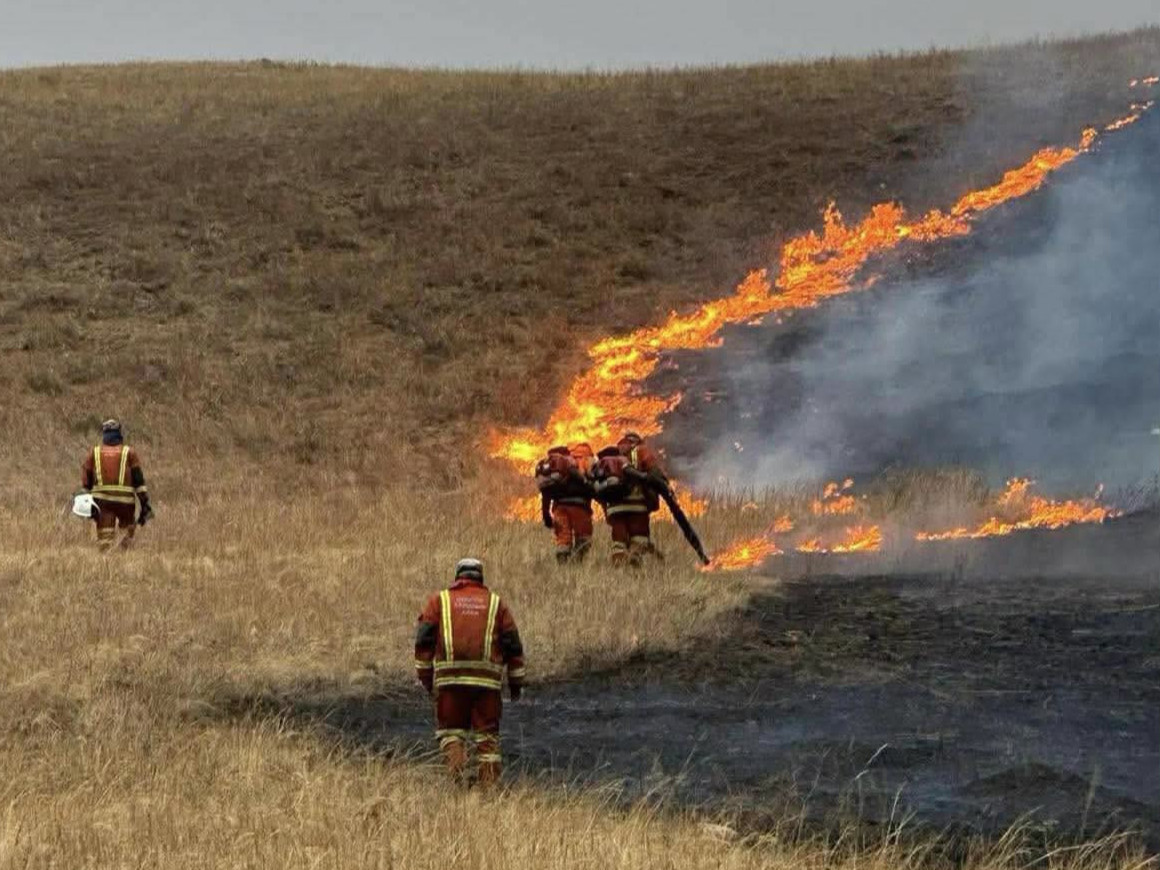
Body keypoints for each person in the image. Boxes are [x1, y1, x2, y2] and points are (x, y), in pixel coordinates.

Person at [414, 558, 525, 787]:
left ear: (458, 576)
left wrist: (427, 681)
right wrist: (516, 684)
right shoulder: (496, 603)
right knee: (487, 738)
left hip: (450, 683)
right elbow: (513, 645)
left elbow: (423, 641)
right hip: (487, 686)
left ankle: (457, 781)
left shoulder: (439, 601)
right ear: (480, 577)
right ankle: (489, 788)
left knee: (451, 733)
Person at [588, 433, 664, 566]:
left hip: (614, 508)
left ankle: (619, 562)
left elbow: (597, 490)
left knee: (618, 539)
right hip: (637, 506)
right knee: (639, 536)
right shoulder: (639, 452)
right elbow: (654, 472)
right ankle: (635, 556)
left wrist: (607, 512)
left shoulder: (608, 459)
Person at [80, 419, 153, 551]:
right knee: (126, 533)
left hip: (102, 502)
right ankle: (122, 556)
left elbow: (86, 478)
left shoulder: (95, 452)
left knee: (105, 539)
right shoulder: (129, 452)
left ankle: (106, 560)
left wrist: (86, 495)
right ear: (119, 433)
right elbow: (139, 481)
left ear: (104, 434)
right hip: (125, 502)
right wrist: (144, 503)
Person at [534, 443, 595, 563]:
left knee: (562, 538)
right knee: (583, 537)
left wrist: (546, 516)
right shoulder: (579, 464)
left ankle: (563, 564)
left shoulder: (552, 470)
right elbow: (590, 486)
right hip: (579, 508)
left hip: (559, 508)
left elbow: (546, 493)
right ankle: (577, 562)